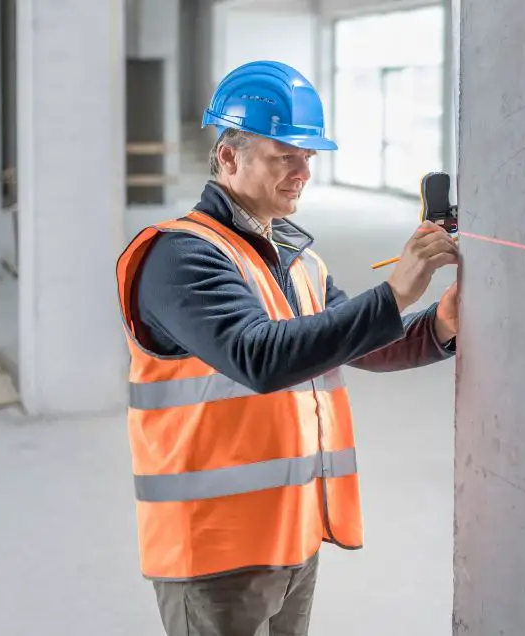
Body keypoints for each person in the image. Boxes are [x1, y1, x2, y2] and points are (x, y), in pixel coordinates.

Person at [114, 60, 459, 636]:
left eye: (309, 157)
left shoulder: (295, 259)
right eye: (284, 156)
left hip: (290, 532)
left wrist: (438, 324)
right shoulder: (180, 257)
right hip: (214, 548)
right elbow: (260, 357)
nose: (303, 172)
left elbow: (352, 342)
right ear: (229, 156)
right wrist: (395, 290)